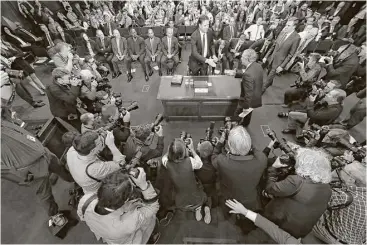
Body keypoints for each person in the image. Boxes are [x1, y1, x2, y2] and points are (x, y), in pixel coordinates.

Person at [1, 103, 74, 227]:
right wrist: (20, 178)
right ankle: (55, 215)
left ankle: (77, 181)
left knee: (62, 169)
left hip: (45, 153)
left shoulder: (4, 119)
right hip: (30, 168)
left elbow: (5, 108)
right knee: (44, 194)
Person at [245, 147, 332, 243]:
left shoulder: (296, 181)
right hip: (300, 230)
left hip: (279, 224)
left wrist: (273, 168)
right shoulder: (327, 188)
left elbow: (270, 188)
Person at [77, 168, 160, 244]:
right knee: (149, 222)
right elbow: (152, 207)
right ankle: (149, 240)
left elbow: (82, 216)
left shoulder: (86, 200)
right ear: (126, 200)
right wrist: (144, 186)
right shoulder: (125, 223)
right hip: (130, 240)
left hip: (106, 234)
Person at [211, 126, 266, 233]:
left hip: (229, 198)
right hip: (250, 198)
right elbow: (255, 150)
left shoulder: (223, 162)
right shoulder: (262, 159)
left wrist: (221, 141)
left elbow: (214, 157)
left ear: (230, 147)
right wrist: (245, 143)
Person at [162, 137, 209, 223]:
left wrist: (172, 150)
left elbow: (164, 158)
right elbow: (200, 164)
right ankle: (198, 208)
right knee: (201, 190)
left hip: (181, 199)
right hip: (195, 194)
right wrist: (192, 150)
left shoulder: (166, 163)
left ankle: (194, 209)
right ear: (184, 151)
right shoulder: (190, 161)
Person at [67, 130, 125, 195]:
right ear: (93, 150)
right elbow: (121, 164)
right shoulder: (94, 169)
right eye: (100, 141)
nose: (103, 139)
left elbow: (85, 140)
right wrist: (111, 144)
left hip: (86, 183)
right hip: (99, 191)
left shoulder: (71, 150)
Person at [282, 88, 346, 137]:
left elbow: (312, 115)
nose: (326, 94)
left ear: (335, 99)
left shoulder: (334, 110)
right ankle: (292, 128)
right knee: (291, 114)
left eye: (329, 95)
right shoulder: (331, 102)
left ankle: (303, 132)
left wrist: (311, 102)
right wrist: (318, 96)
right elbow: (316, 108)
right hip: (313, 117)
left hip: (315, 124)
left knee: (299, 137)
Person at [262, 17, 301, 94]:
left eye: (288, 26)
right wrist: (266, 56)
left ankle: (262, 90)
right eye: (286, 25)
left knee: (269, 77)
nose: (286, 27)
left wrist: (282, 66)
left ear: (294, 27)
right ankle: (269, 83)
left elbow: (290, 54)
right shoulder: (282, 32)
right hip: (272, 58)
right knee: (268, 73)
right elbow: (273, 46)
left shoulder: (296, 38)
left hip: (279, 62)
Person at [233, 49, 263, 127]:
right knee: (249, 112)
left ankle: (235, 128)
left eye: (242, 57)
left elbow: (248, 94)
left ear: (248, 59)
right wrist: (236, 73)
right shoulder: (258, 65)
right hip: (256, 97)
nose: (240, 59)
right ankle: (246, 123)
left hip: (247, 100)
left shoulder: (247, 74)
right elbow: (252, 75)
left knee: (237, 115)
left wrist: (245, 107)